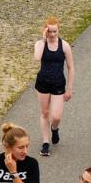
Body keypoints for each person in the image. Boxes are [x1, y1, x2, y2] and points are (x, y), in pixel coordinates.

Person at [33, 17, 75, 157]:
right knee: (45, 113)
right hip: (43, 83)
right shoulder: (40, 43)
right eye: (49, 31)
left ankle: (54, 128)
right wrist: (43, 39)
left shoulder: (64, 46)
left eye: (54, 31)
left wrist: (69, 88)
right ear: (45, 30)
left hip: (58, 83)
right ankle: (46, 143)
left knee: (56, 116)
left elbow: (71, 67)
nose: (52, 34)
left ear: (58, 30)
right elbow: (37, 58)